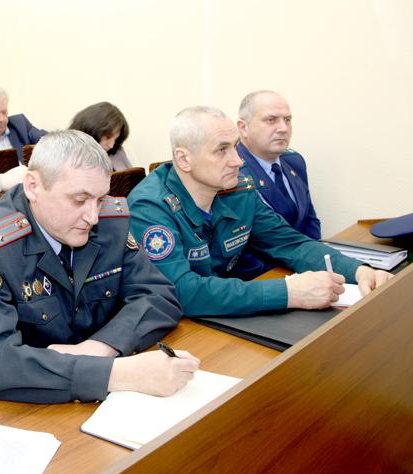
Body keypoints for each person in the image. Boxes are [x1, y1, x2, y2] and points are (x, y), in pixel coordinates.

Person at [0, 130, 195, 404]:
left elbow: (159, 296)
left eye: (100, 199)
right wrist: (114, 374)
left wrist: (101, 347)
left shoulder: (109, 221)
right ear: (33, 187)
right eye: (79, 200)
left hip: (97, 399)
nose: (93, 217)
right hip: (23, 404)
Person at [127, 106, 393, 317]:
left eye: (234, 146)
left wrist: (359, 271)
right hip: (182, 328)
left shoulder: (239, 189)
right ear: (184, 159)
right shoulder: (149, 206)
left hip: (228, 312)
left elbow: (290, 244)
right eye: (221, 150)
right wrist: (288, 292)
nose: (237, 160)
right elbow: (180, 291)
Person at [237, 90, 320, 240]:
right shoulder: (233, 171)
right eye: (271, 120)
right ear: (244, 128)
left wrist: (319, 253)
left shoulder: (295, 161)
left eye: (287, 120)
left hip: (307, 252)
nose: (284, 128)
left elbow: (309, 220)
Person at [69, 101, 132, 171]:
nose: (111, 145)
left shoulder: (117, 151)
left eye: (115, 139)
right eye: (108, 137)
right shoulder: (68, 161)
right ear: (90, 131)